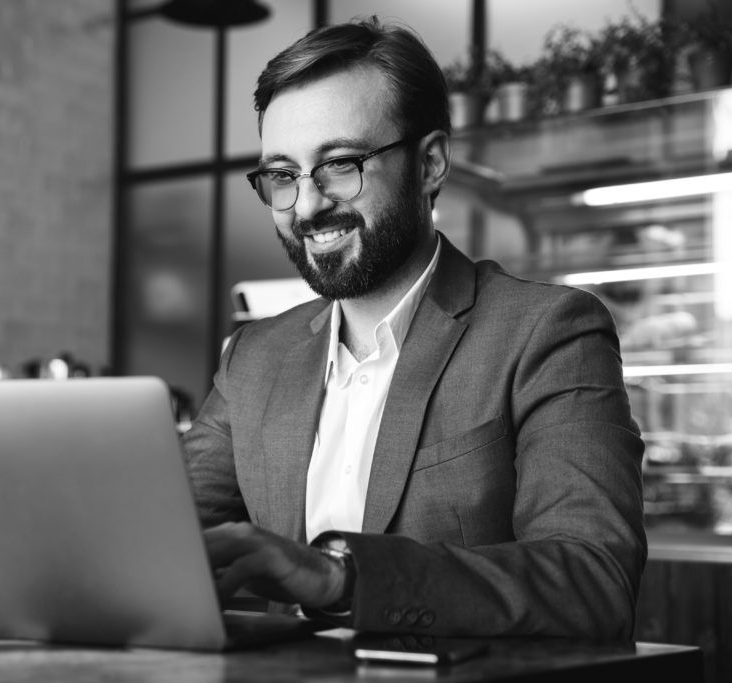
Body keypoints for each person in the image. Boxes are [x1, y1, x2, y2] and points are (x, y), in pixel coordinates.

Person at [181, 16, 646, 639]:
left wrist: (339, 577)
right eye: (283, 176)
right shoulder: (254, 356)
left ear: (429, 164)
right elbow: (158, 539)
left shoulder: (546, 332)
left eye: (340, 164)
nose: (310, 204)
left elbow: (592, 582)